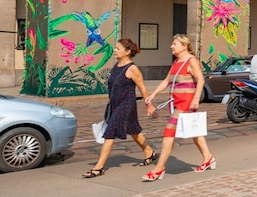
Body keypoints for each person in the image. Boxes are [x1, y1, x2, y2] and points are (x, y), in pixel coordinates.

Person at [142, 34, 216, 181]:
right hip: (176, 102)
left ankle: (159, 168)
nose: (171, 46)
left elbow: (200, 79)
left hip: (185, 103)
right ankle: (208, 158)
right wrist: (154, 94)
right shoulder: (176, 62)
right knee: (194, 131)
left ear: (184, 46)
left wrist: (196, 99)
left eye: (174, 44)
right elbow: (166, 81)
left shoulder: (191, 61)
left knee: (168, 133)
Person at [83, 38, 157, 178]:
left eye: (118, 48)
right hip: (114, 104)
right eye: (115, 48)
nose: (115, 51)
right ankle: (149, 152)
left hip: (126, 105)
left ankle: (99, 167)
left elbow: (142, 88)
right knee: (134, 130)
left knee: (109, 133)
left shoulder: (132, 68)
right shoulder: (116, 66)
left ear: (127, 52)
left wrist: (149, 106)